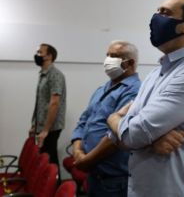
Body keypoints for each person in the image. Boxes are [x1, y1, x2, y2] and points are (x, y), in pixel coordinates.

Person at [80, 0, 184, 197]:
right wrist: (149, 138)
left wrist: (116, 118)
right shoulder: (156, 74)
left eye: (165, 13)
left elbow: (132, 135)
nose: (156, 18)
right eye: (157, 12)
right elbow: (122, 137)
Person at [71, 40, 141, 197]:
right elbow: (84, 121)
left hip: (113, 180)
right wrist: (77, 151)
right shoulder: (102, 89)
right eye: (107, 55)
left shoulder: (134, 92)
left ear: (129, 63)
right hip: (93, 174)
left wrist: (87, 160)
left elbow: (116, 136)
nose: (107, 60)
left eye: (114, 56)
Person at [29, 43, 66, 177]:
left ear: (49, 56)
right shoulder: (43, 74)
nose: (37, 54)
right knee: (45, 160)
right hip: (42, 125)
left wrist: (45, 130)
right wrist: (35, 124)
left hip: (51, 127)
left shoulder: (55, 75)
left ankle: (56, 189)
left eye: (40, 52)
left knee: (50, 160)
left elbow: (54, 103)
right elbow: (40, 102)